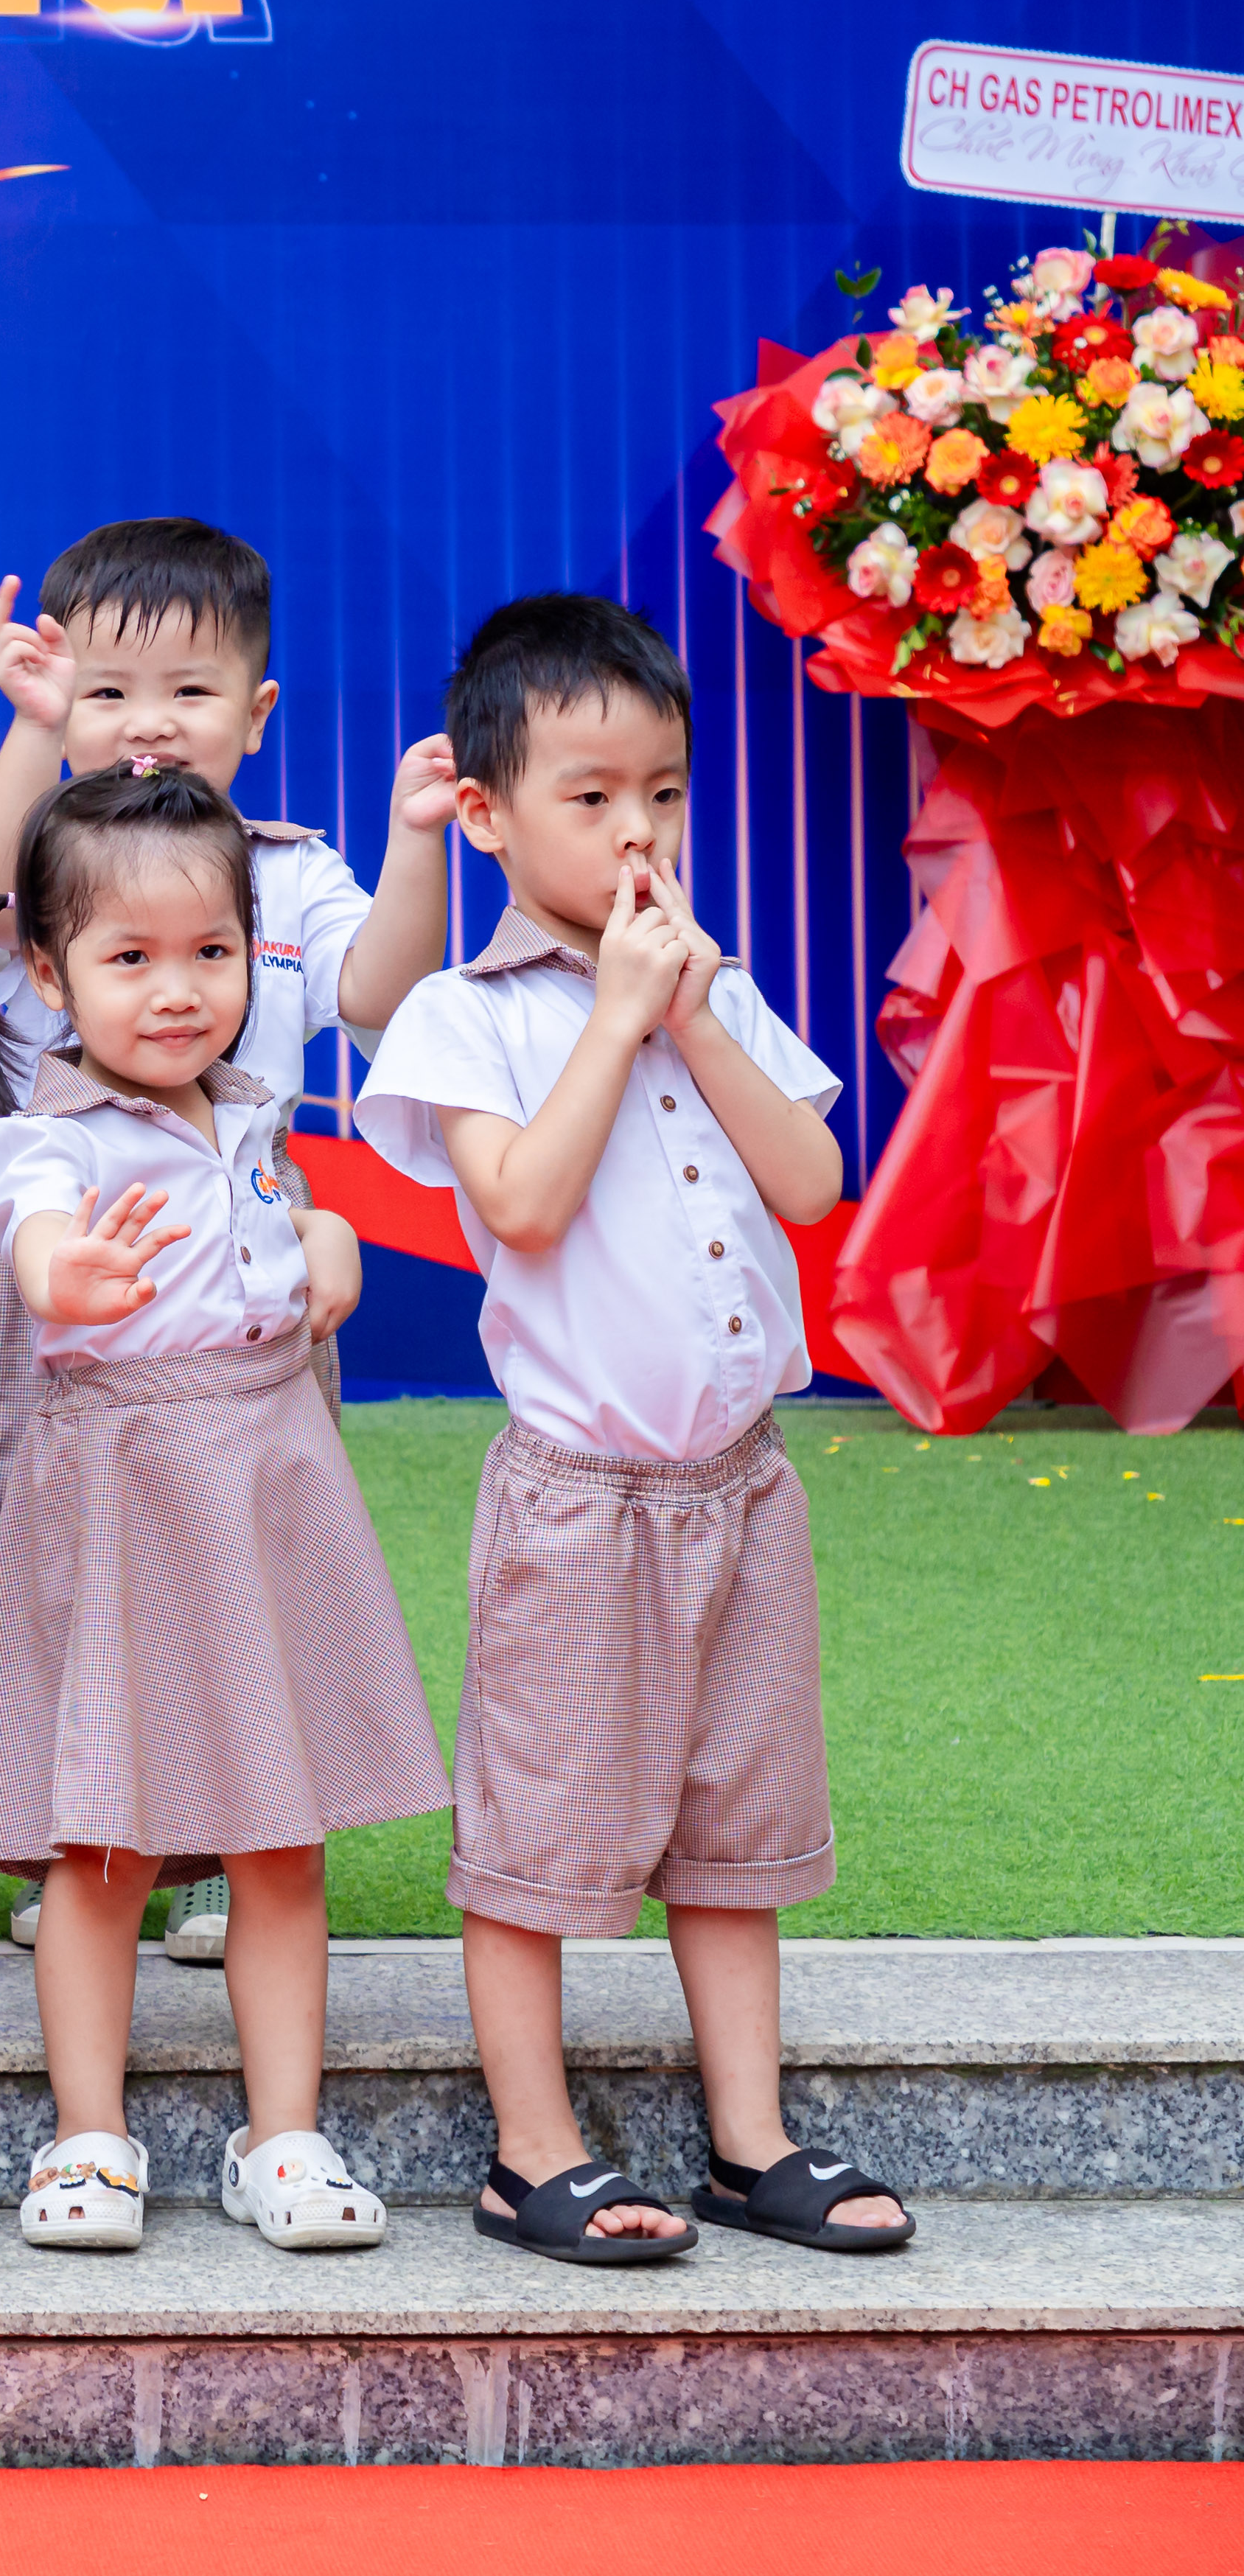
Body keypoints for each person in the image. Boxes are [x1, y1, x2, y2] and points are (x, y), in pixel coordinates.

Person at [355, 596, 909, 2264]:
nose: (636, 831)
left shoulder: (705, 987)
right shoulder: (466, 1014)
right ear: (484, 813)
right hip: (579, 1501)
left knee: (734, 1826)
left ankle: (751, 2140)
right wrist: (610, 1016)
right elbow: (520, 1203)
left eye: (661, 791)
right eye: (589, 796)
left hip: (741, 1489)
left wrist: (688, 1012)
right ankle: (531, 2152)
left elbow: (810, 1180)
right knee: (536, 1828)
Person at [0, 758, 449, 2254]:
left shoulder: (255, 1118)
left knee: (282, 1839)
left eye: (211, 951)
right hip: (128, 1497)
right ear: (49, 971)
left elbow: (286, 1242)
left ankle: (281, 2134)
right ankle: (88, 2135)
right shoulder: (48, 1134)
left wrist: (328, 1243)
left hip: (268, 1483)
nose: (176, 990)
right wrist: (63, 1277)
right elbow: (32, 1236)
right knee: (103, 1842)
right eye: (129, 957)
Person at [0, 517, 457, 1962]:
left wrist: (416, 843)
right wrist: (27, 730)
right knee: (81, 1576)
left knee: (253, 1563)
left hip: (250, 1252)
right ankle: (85, 1834)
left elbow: (376, 992)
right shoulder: (51, 864)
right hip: (81, 1253)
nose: (148, 722)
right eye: (105, 691)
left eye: (189, 688)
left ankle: (231, 1845)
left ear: (257, 711)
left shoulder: (289, 872)